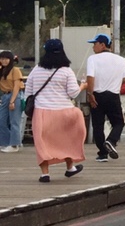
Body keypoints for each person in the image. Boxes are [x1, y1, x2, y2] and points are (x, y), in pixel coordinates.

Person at [24, 38, 85, 182]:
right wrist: (83, 86)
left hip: (42, 112)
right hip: (64, 112)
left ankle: (45, 174)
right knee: (68, 139)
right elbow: (73, 93)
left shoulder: (36, 70)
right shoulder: (66, 71)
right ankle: (70, 168)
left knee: (42, 143)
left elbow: (29, 92)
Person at [85, 32, 125, 162]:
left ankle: (102, 153)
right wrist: (115, 82)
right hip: (113, 95)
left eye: (95, 44)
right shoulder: (120, 59)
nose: (93, 47)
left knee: (97, 125)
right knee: (118, 122)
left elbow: (90, 77)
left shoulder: (92, 59)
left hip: (97, 95)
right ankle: (111, 140)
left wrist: (90, 94)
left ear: (102, 44)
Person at [0, 50, 25, 153]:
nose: (4, 61)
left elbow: (16, 86)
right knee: (2, 120)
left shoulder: (15, 70)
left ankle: (14, 144)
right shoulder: (1, 71)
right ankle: (5, 143)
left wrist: (12, 101)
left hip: (14, 95)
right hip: (4, 95)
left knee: (14, 121)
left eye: (6, 58)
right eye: (2, 58)